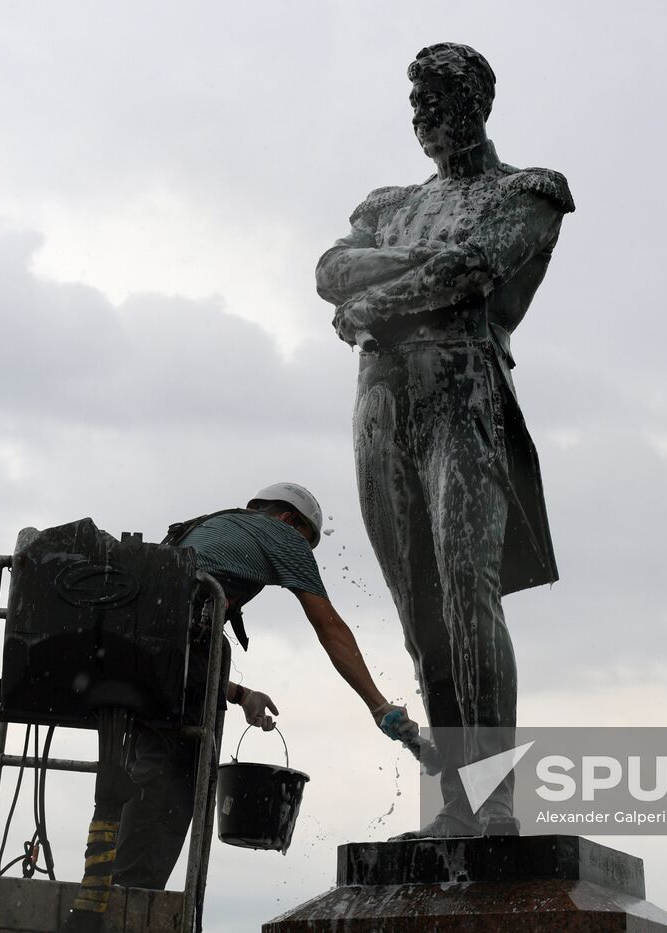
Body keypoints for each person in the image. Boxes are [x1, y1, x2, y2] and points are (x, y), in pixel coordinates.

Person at [314, 43, 574, 837]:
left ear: (479, 103)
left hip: (464, 388)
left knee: (467, 594)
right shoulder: (388, 202)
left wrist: (376, 299)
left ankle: (495, 797)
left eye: (439, 96)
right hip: (383, 402)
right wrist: (402, 276)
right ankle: (454, 804)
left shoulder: (529, 191)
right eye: (416, 99)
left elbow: (473, 268)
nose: (423, 112)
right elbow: (330, 270)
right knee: (420, 608)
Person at [111, 482, 416, 889]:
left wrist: (239, 694)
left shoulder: (210, 527)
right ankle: (131, 901)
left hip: (130, 650)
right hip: (169, 650)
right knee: (172, 785)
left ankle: (111, 889)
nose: (302, 552)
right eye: (307, 543)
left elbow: (172, 648)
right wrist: (378, 705)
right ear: (291, 521)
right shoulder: (282, 535)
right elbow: (330, 628)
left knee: (149, 772)